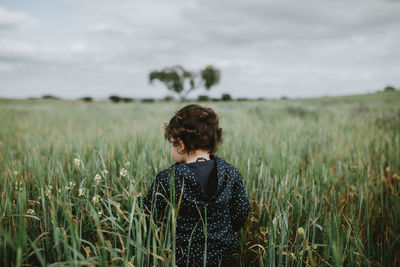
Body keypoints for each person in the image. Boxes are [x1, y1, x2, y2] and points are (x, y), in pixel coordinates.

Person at [142, 104, 251, 266]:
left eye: (172, 143)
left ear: (181, 144)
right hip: (224, 256)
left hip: (182, 258)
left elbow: (147, 214)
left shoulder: (168, 178)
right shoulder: (230, 173)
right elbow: (241, 211)